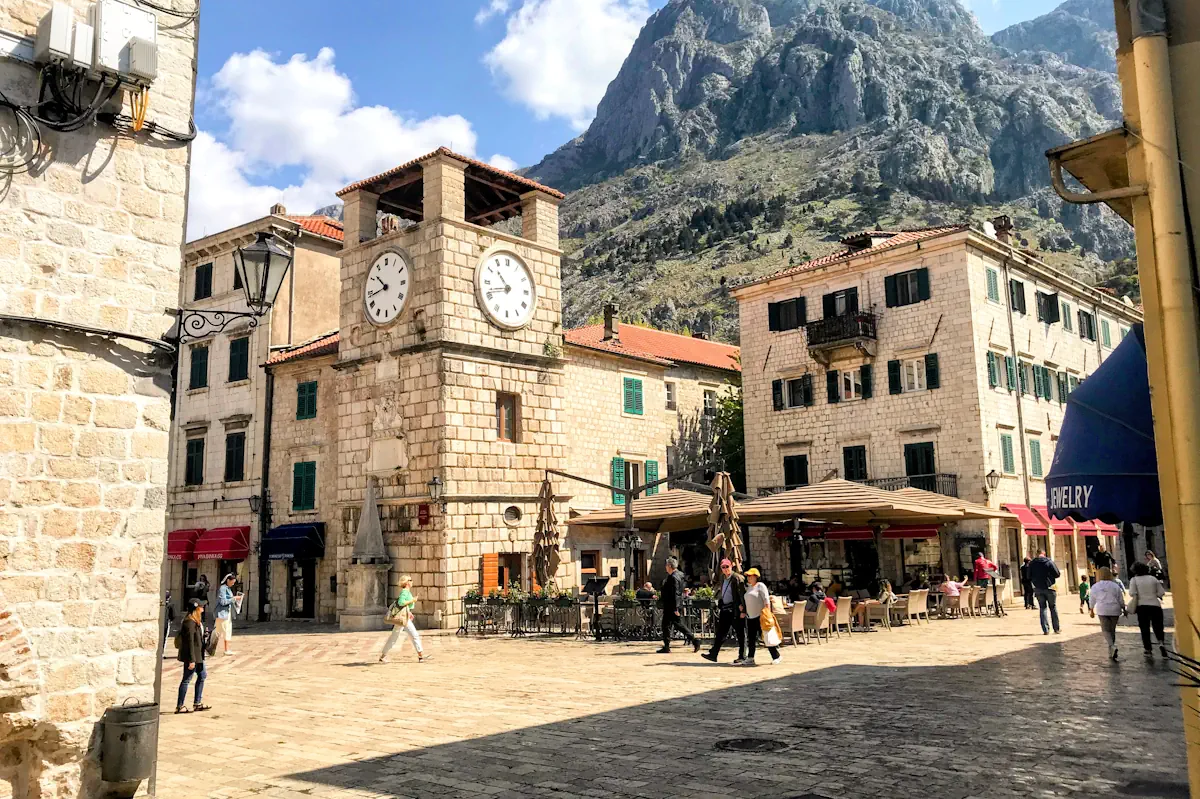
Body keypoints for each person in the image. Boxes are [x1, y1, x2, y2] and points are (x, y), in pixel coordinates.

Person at [701, 559, 746, 665]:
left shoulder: (737, 578)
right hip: (725, 609)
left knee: (740, 633)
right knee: (721, 632)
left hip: (735, 609)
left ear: (731, 566)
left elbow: (742, 594)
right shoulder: (722, 578)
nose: (725, 569)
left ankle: (742, 656)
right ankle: (714, 653)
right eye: (723, 567)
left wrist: (743, 609)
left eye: (727, 567)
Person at [379, 576, 428, 663]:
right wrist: (412, 600)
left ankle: (383, 656)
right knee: (414, 635)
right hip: (403, 619)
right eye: (410, 580)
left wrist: (409, 612)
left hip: (404, 617)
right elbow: (401, 602)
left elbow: (404, 606)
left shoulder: (407, 592)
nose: (412, 581)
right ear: (407, 582)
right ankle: (421, 656)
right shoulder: (405, 592)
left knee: (394, 637)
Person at [657, 557, 700, 654]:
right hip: (673, 604)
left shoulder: (673, 577)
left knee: (678, 625)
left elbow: (675, 592)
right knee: (667, 625)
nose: (665, 567)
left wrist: (675, 607)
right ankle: (667, 646)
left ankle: (694, 640)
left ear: (669, 566)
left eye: (666, 565)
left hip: (672, 605)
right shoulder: (680, 574)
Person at [175, 599, 211, 714]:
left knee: (202, 675)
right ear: (196, 608)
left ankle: (197, 703)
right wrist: (191, 660)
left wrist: (205, 635)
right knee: (186, 679)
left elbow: (196, 638)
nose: (203, 608)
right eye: (201, 606)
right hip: (193, 656)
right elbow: (189, 642)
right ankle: (179, 706)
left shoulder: (196, 621)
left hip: (198, 655)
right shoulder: (189, 622)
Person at [742, 568, 780, 666]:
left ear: (756, 577)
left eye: (750, 576)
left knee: (766, 637)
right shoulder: (749, 588)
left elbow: (766, 600)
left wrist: (767, 613)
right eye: (748, 576)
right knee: (751, 638)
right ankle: (750, 657)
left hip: (760, 616)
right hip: (750, 617)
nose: (749, 578)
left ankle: (776, 656)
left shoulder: (761, 586)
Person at [1129, 561, 1167, 658]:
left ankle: (1148, 649)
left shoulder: (1134, 580)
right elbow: (1161, 593)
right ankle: (1161, 643)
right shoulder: (1153, 579)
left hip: (1142, 607)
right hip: (1155, 605)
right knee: (1158, 626)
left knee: (1144, 628)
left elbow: (1132, 593)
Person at [1088, 567, 1127, 661]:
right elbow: (1120, 599)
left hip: (1103, 610)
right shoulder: (1115, 586)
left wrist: (1091, 610)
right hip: (1115, 609)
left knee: (1105, 630)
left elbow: (1092, 599)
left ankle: (1112, 646)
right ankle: (1111, 650)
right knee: (1112, 630)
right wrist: (1123, 608)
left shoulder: (1095, 586)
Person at [1028, 549, 1062, 635]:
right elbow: (1057, 574)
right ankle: (1056, 628)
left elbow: (1028, 576)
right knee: (1053, 607)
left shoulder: (1032, 563)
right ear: (1044, 554)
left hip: (1038, 588)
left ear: (1037, 554)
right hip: (1050, 587)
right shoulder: (1049, 562)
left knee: (1042, 608)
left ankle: (1045, 630)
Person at [214, 573, 239, 657]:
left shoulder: (227, 588)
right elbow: (223, 601)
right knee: (219, 632)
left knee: (227, 631)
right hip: (222, 613)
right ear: (228, 580)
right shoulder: (222, 588)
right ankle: (209, 647)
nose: (233, 584)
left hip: (227, 613)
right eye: (232, 582)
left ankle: (226, 649)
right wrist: (233, 599)